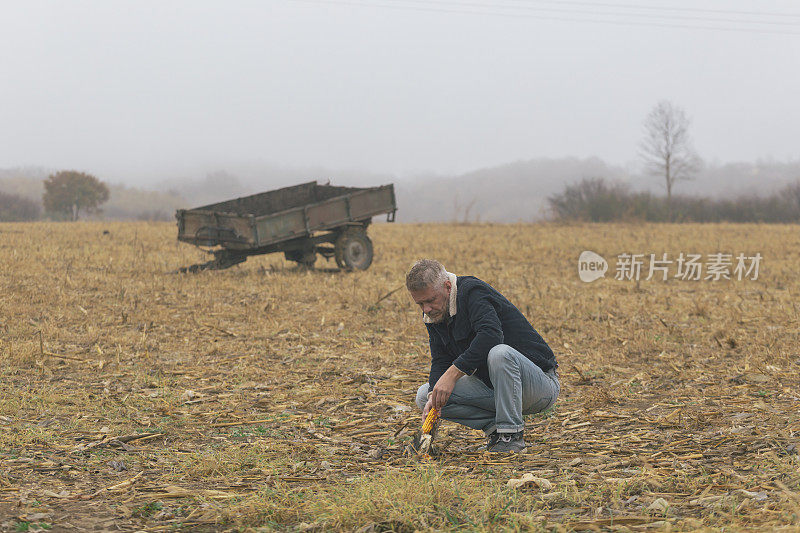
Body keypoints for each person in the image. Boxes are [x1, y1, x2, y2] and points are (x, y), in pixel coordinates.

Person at [407, 259, 559, 453]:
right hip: (495, 389)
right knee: (425, 395)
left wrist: (452, 374)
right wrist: (433, 398)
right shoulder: (434, 315)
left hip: (537, 386)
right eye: (420, 303)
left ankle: (510, 436)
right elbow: (440, 359)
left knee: (500, 353)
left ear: (447, 287)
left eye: (430, 300)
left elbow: (491, 336)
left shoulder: (472, 292)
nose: (426, 309)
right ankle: (496, 430)